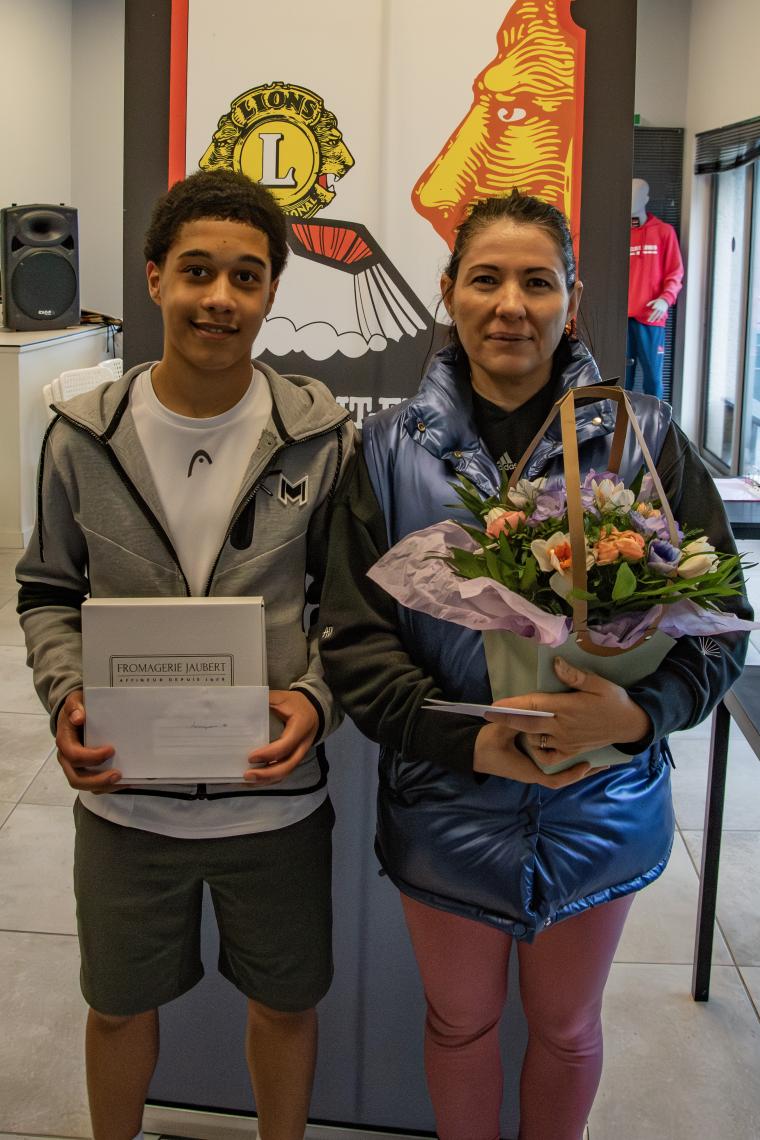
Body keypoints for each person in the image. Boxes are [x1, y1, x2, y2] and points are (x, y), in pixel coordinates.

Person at [318, 190, 751, 1140]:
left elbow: (721, 621)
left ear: (573, 299)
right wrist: (463, 742)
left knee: (566, 1026)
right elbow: (354, 637)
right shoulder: (386, 450)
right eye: (485, 279)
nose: (510, 305)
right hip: (446, 796)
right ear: (447, 293)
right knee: (459, 1022)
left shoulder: (644, 437)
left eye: (537, 282)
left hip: (603, 795)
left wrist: (638, 718)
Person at [16, 168, 355, 1140]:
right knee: (117, 1008)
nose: (220, 297)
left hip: (275, 801)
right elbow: (47, 593)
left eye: (246, 276)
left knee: (285, 1006)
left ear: (272, 291)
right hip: (126, 802)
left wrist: (315, 698)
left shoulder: (320, 437)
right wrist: (67, 696)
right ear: (155, 276)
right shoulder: (82, 437)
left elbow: (350, 609)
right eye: (197, 271)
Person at [625, 177, 684, 399]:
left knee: (653, 379)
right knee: (623, 378)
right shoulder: (621, 235)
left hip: (651, 317)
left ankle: (656, 420)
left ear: (646, 198)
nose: (632, 200)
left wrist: (665, 299)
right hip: (622, 319)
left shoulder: (663, 232)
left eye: (638, 195)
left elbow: (675, 272)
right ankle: (622, 419)